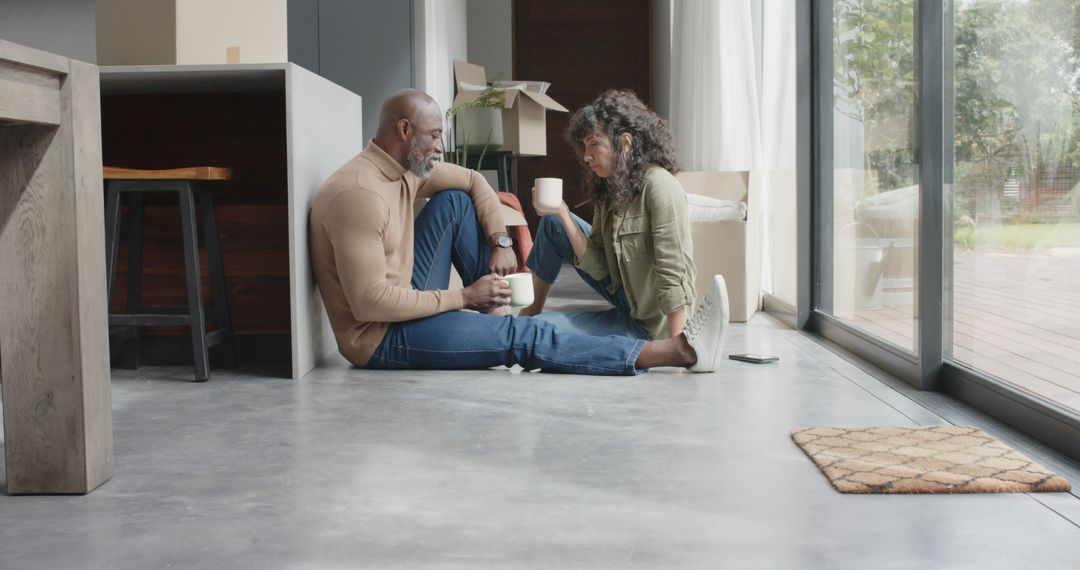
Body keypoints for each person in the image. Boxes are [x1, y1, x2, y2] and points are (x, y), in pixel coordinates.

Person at [309, 88, 729, 375]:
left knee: (454, 200)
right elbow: (369, 305)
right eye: (434, 136)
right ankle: (675, 352)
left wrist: (501, 240)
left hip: (405, 303)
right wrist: (463, 297)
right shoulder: (360, 194)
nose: (439, 147)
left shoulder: (403, 171)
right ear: (404, 131)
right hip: (380, 337)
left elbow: (473, 181)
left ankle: (494, 312)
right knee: (522, 336)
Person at [519, 89, 698, 343]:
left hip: (652, 327)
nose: (586, 156)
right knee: (552, 223)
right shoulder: (610, 187)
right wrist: (563, 214)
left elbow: (673, 274)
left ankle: (530, 325)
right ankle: (530, 311)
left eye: (594, 144)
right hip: (625, 300)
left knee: (538, 334)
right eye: (583, 146)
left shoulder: (660, 186)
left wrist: (677, 347)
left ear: (625, 143)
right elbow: (599, 268)